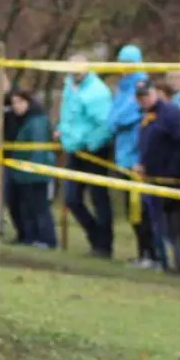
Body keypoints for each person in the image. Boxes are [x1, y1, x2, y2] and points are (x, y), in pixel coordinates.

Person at [57, 55, 114, 257]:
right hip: (74, 149)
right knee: (72, 198)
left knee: (99, 198)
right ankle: (95, 236)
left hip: (93, 150)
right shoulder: (69, 87)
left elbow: (105, 124)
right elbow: (68, 115)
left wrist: (89, 143)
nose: (75, 71)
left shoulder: (97, 91)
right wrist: (61, 130)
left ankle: (104, 245)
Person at [109, 45, 160, 269]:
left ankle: (152, 254)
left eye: (128, 62)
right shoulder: (122, 87)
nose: (124, 67)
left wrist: (115, 122)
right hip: (123, 153)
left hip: (137, 154)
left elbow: (127, 115)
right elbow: (113, 115)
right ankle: (142, 253)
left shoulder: (142, 85)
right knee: (133, 209)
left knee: (143, 209)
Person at [136, 79, 180, 275]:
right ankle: (163, 261)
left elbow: (179, 144)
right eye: (140, 97)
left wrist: (172, 172)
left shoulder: (170, 113)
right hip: (151, 177)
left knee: (175, 227)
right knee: (156, 223)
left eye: (146, 95)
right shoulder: (145, 116)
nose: (144, 100)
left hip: (170, 179)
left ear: (155, 93)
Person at [7, 88, 57, 248]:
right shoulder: (24, 121)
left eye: (20, 102)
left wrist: (34, 169)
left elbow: (38, 148)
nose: (16, 106)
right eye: (14, 103)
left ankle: (46, 239)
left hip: (35, 173)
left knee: (39, 207)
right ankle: (29, 237)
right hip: (22, 173)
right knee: (26, 207)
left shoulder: (37, 121)